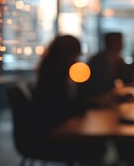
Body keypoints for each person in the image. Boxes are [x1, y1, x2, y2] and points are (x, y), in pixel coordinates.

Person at [33, 35, 105, 164]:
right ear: (67, 55)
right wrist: (90, 104)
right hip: (52, 137)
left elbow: (73, 100)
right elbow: (62, 108)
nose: (77, 60)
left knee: (97, 143)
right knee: (95, 145)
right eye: (76, 56)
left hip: (55, 130)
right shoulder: (53, 77)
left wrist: (91, 100)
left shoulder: (57, 72)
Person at [80, 32, 132, 99]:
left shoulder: (115, 59)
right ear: (111, 43)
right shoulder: (98, 61)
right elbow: (98, 88)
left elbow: (127, 79)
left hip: (107, 100)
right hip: (96, 102)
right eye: (119, 41)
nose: (122, 44)